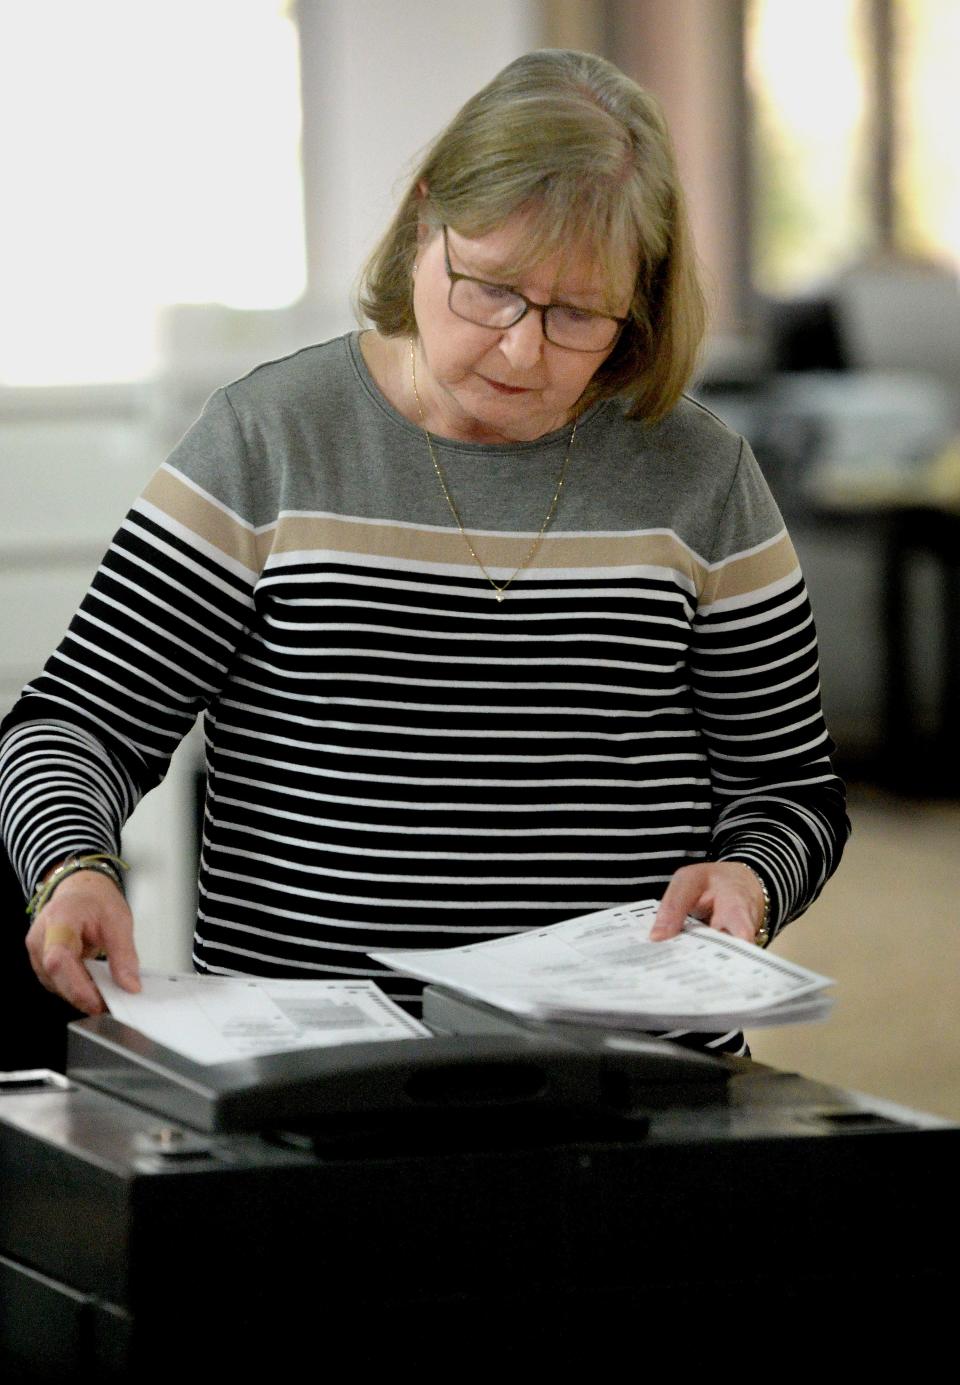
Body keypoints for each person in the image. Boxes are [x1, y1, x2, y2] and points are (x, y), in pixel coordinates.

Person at [0, 49, 848, 1054]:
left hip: (625, 1074)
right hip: (313, 1076)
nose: (523, 350)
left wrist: (753, 876)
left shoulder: (702, 475)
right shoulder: (266, 442)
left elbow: (791, 789)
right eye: (490, 288)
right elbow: (72, 727)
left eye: (577, 313)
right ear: (421, 225)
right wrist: (73, 865)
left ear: (642, 303)